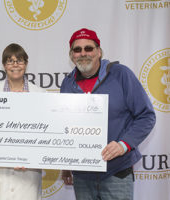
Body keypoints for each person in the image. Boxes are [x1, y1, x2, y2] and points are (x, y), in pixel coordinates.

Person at [60, 28, 156, 199]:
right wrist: (66, 163)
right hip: (83, 175)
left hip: (116, 171)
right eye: (77, 49)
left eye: (88, 48)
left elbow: (146, 116)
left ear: (99, 51)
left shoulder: (121, 75)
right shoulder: (67, 84)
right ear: (71, 55)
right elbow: (65, 126)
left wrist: (123, 144)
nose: (83, 53)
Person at [0, 43, 44, 200]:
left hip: (28, 175)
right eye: (10, 61)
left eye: (20, 60)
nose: (15, 65)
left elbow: (44, 135)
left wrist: (28, 156)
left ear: (26, 64)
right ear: (4, 65)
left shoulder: (42, 95)